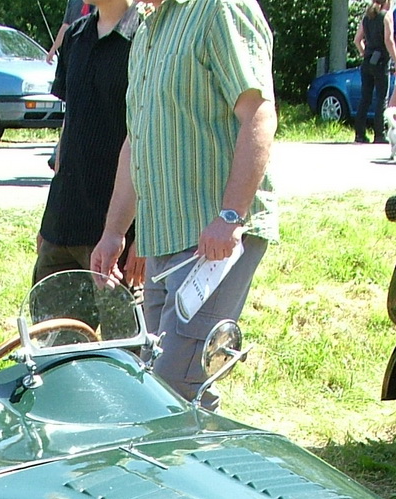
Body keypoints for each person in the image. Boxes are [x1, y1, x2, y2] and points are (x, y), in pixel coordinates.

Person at [89, 0, 277, 406]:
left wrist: (230, 216)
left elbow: (259, 114)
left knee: (176, 388)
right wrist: (114, 232)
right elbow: (136, 139)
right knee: (156, 386)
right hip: (163, 239)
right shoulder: (147, 28)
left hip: (215, 241)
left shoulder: (220, 9)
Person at [34, 0, 141, 283]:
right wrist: (50, 219)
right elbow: (69, 128)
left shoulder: (146, 35)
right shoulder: (75, 34)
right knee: (49, 314)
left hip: (117, 236)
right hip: (62, 227)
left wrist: (144, 237)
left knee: (124, 315)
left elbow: (152, 140)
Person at [355, 0, 396, 143]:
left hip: (367, 61)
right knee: (381, 98)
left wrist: (364, 53)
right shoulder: (386, 16)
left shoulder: (367, 17)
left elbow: (357, 40)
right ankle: (380, 134)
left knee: (365, 98)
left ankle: (359, 134)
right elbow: (389, 40)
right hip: (381, 62)